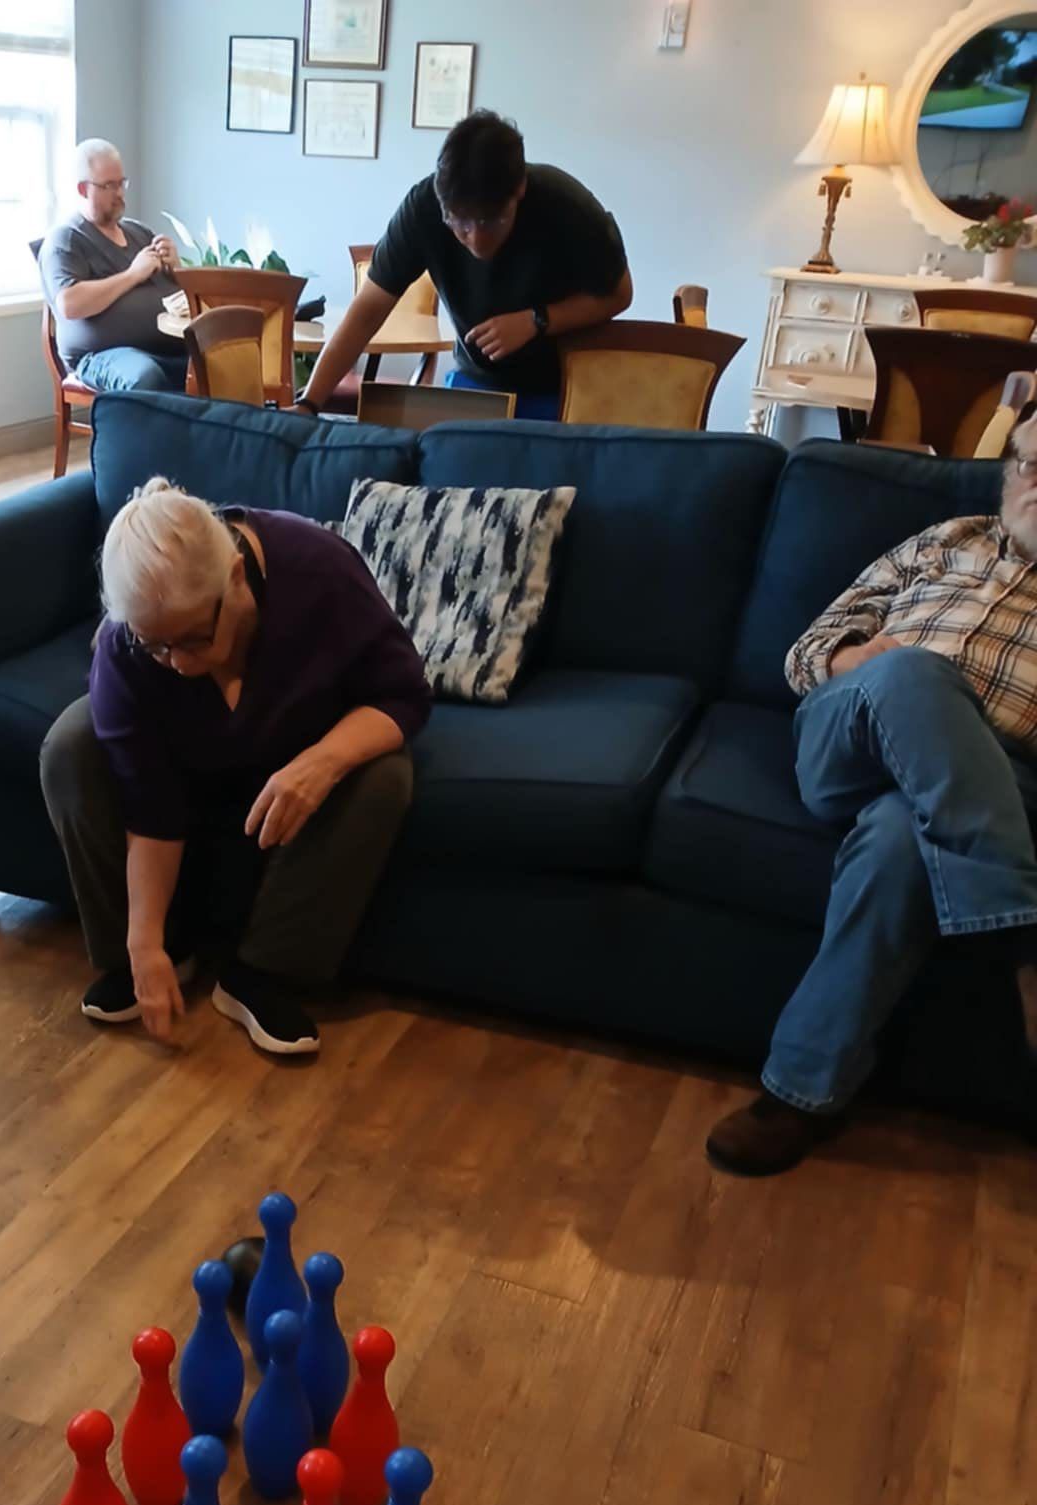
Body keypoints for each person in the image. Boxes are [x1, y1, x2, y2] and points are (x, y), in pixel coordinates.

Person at [706, 415, 1037, 1177]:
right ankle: (1025, 933)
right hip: (852, 732)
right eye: (1028, 463)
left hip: (995, 769)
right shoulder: (948, 537)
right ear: (1008, 469)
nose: (1035, 482)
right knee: (910, 673)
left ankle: (799, 1095)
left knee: (898, 843)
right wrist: (855, 657)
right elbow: (808, 648)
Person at [39, 480, 431, 1056]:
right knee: (70, 745)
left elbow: (404, 695)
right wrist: (143, 940)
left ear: (237, 580)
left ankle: (260, 974)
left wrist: (323, 762)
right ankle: (163, 958)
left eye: (193, 640)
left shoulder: (319, 570)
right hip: (184, 776)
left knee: (385, 776)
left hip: (297, 761)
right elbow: (149, 806)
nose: (176, 664)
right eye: (156, 646)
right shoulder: (130, 645)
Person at [296, 110, 632, 422]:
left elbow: (619, 295)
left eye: (489, 221)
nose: (474, 238)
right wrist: (308, 404)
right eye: (458, 222)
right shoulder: (423, 207)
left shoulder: (566, 205)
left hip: (567, 386)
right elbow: (368, 309)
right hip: (477, 382)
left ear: (519, 190)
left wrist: (537, 320)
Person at [37, 139, 187, 395]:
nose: (120, 193)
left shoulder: (140, 232)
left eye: (122, 183)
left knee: (223, 362)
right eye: (109, 186)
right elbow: (69, 304)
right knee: (145, 377)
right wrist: (132, 275)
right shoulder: (66, 240)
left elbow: (179, 297)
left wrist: (177, 268)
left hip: (168, 347)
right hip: (101, 356)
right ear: (83, 189)